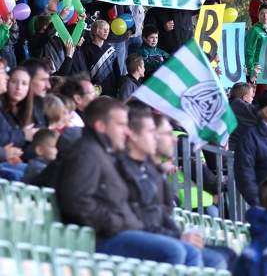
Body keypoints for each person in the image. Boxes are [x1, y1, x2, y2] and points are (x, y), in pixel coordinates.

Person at [56, 98, 206, 265]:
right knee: (176, 250)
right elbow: (77, 202)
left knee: (207, 254)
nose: (127, 131)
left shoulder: (105, 153)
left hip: (124, 231)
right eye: (121, 125)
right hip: (99, 239)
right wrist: (118, 222)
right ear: (101, 126)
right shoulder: (87, 153)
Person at [116, 109, 227, 269]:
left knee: (225, 253)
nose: (173, 139)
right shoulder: (126, 168)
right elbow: (140, 218)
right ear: (133, 135)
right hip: (133, 235)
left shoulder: (149, 169)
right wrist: (177, 236)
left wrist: (178, 234)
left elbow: (161, 214)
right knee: (182, 252)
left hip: (163, 226)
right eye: (163, 133)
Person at [82, 20, 121, 97]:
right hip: (95, 91)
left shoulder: (110, 49)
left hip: (112, 90)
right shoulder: (86, 50)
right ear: (94, 31)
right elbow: (85, 71)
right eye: (103, 29)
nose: (106, 31)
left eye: (107, 29)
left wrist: (119, 86)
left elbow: (117, 70)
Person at [228, 82, 260, 151]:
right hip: (237, 154)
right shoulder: (245, 110)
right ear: (244, 98)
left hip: (224, 153)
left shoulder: (225, 106)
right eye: (251, 96)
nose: (253, 99)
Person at [245, 4, 267, 86]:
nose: (265, 16)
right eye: (262, 13)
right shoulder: (254, 30)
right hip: (258, 70)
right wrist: (251, 72)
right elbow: (249, 51)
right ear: (258, 15)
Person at [22, 58, 53, 127]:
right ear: (28, 80)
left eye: (48, 80)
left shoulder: (42, 106)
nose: (48, 86)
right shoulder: (14, 111)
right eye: (43, 80)